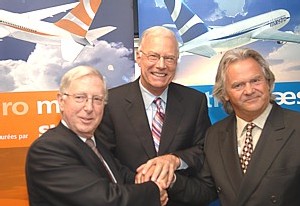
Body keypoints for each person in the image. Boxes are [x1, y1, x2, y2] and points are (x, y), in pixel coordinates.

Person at [95, 26, 211, 205]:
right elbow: (104, 159)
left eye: (169, 58)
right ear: (138, 57)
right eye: (153, 56)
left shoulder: (194, 102)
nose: (161, 65)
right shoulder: (111, 102)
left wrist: (176, 160)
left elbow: (204, 150)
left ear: (177, 61)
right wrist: (147, 190)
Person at [169, 48, 300, 205]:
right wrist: (171, 180)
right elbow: (206, 190)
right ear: (225, 93)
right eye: (238, 85)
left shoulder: (296, 127)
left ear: (268, 82)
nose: (249, 90)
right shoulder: (215, 134)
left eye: (256, 80)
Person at [25, 65, 168, 206]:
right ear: (61, 102)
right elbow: (103, 200)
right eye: (80, 97)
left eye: (97, 99)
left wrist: (150, 178)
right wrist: (154, 190)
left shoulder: (95, 142)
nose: (89, 108)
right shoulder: (47, 150)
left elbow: (121, 176)